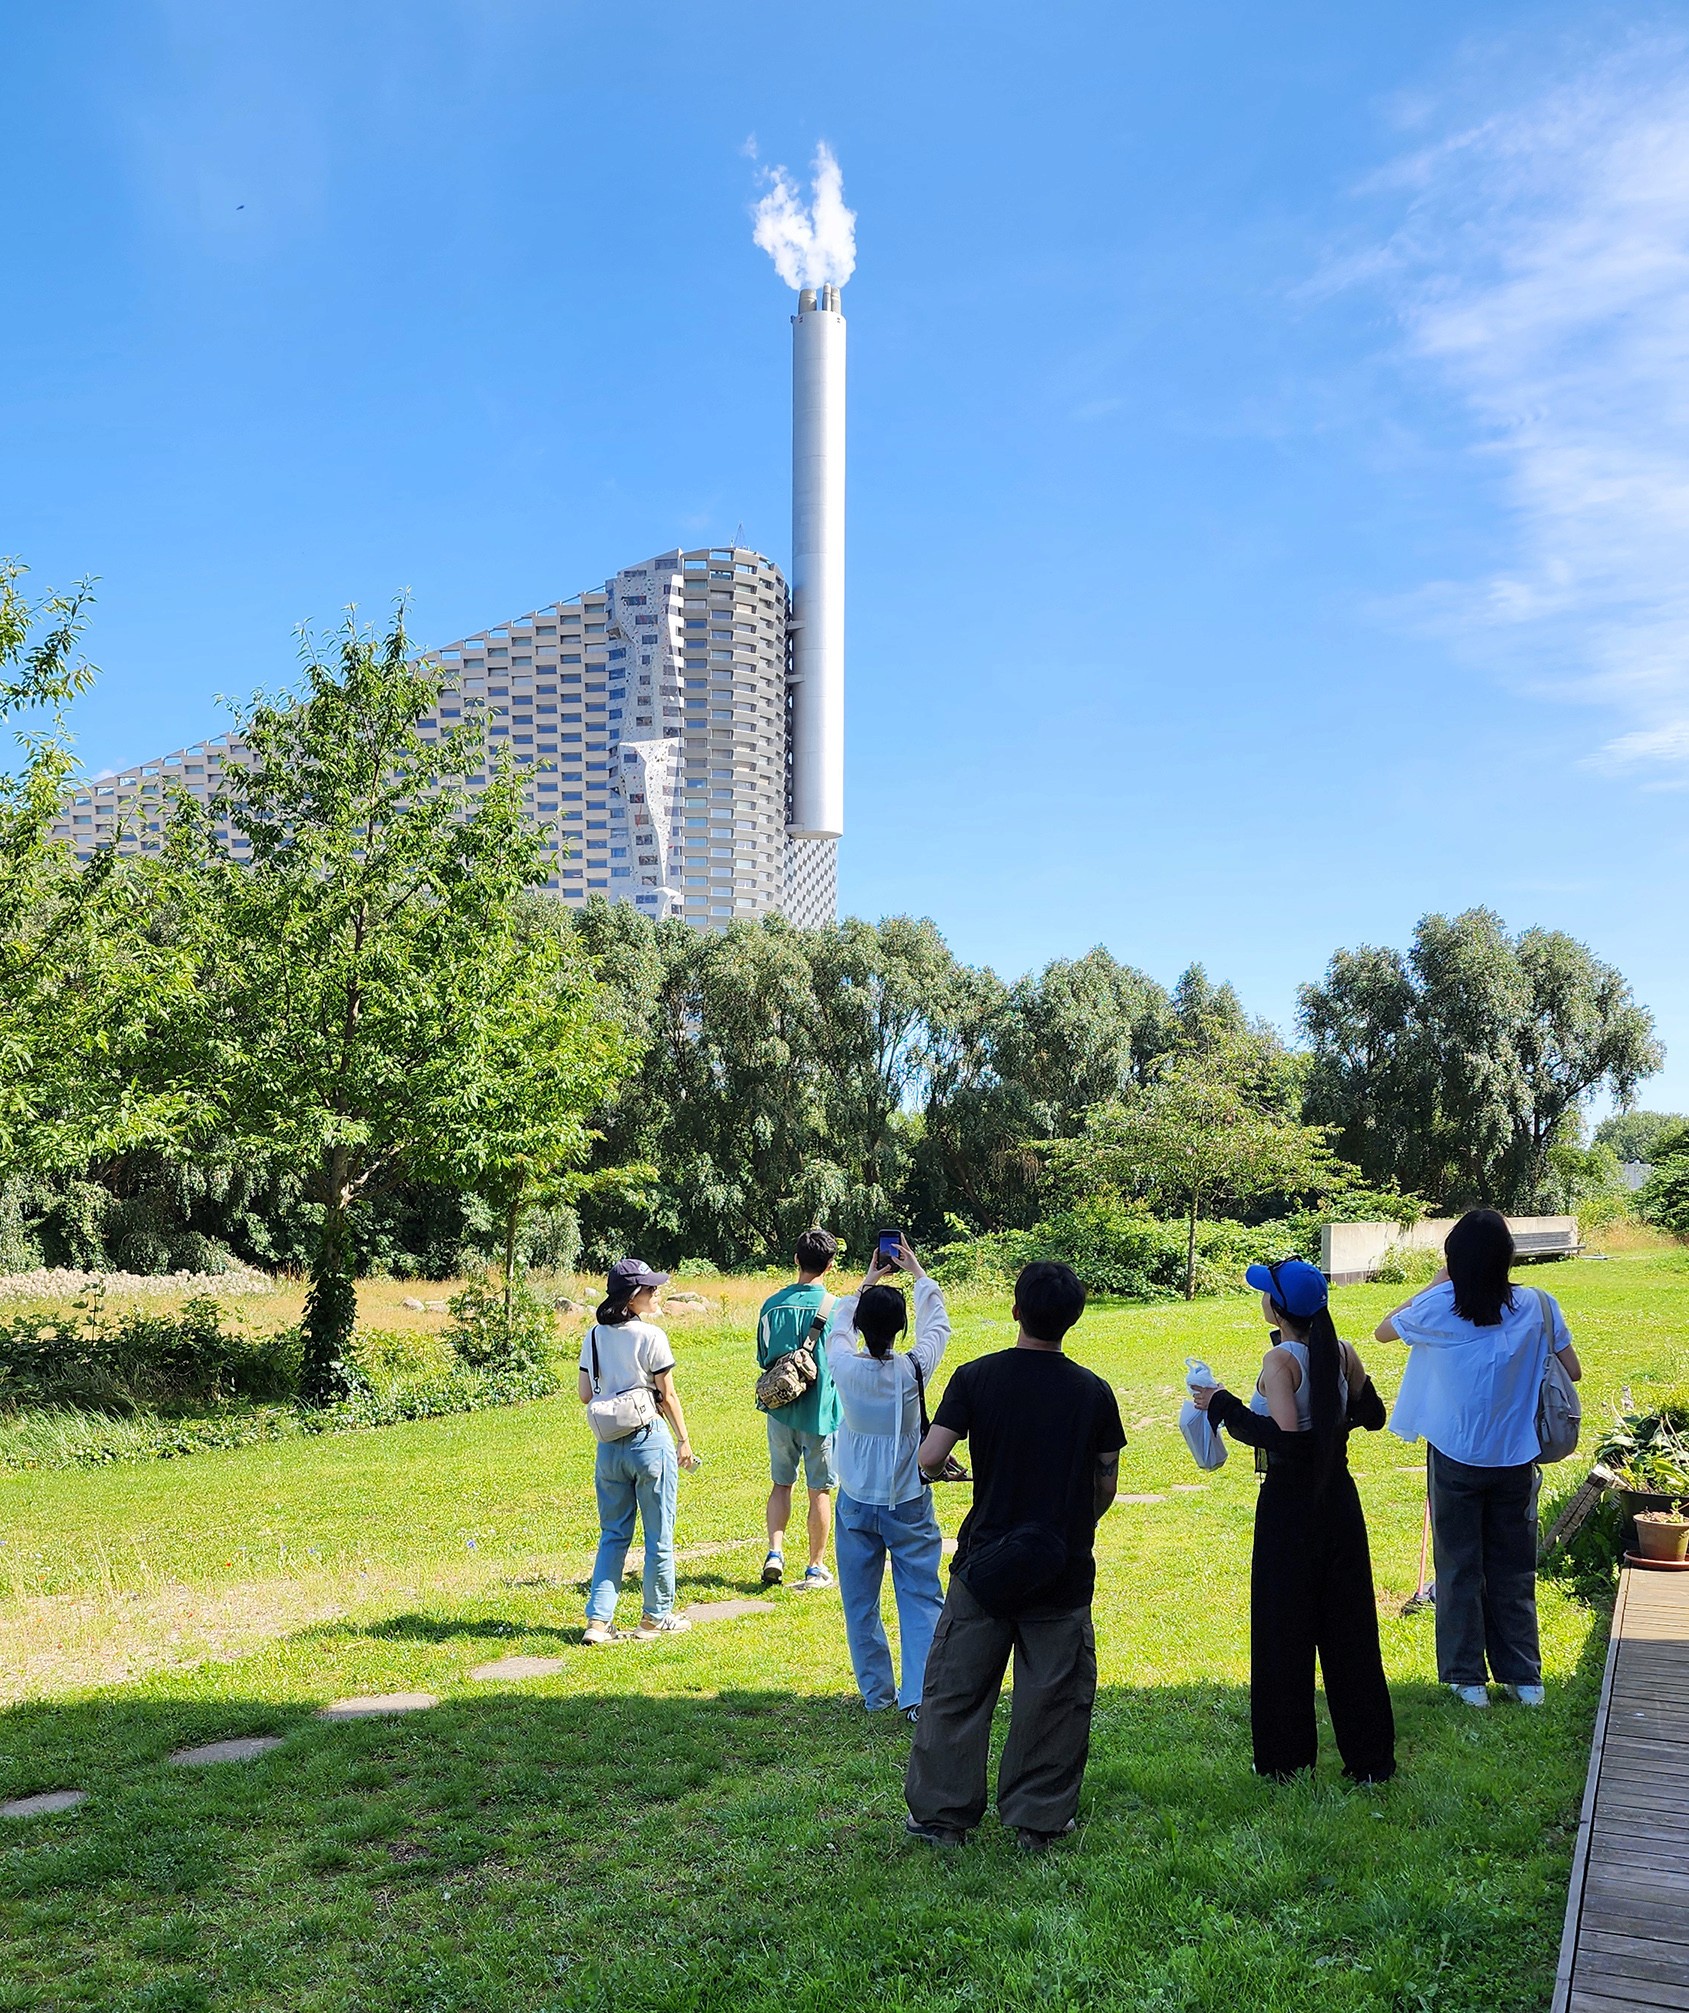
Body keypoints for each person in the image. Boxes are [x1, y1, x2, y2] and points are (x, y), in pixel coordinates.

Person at [903, 1261, 1125, 1852]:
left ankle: (941, 1817)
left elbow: (930, 1457)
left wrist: (942, 1468)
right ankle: (1040, 1820)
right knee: (1054, 1698)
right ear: (1073, 1320)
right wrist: (1077, 1524)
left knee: (956, 1691)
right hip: (1062, 1567)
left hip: (985, 1565)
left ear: (1015, 1311)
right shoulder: (1093, 1392)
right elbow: (1105, 1482)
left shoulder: (976, 1377)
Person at [1190, 1258, 1396, 1783]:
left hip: (1289, 1506)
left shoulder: (1280, 1360)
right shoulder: (1343, 1352)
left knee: (1283, 1630)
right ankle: (1371, 1760)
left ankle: (1285, 1762)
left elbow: (1285, 1441)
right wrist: (1337, 1424)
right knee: (1351, 1630)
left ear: (1278, 1309)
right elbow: (1374, 1415)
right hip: (1340, 1502)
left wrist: (1222, 1404)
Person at [1375, 1209, 1581, 1708]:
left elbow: (1383, 1331)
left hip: (1455, 1452)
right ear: (1508, 1259)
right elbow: (1572, 1370)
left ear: (1455, 1261)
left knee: (1458, 1566)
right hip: (1517, 1454)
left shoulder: (1438, 1306)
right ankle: (1524, 1678)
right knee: (1514, 1568)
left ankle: (1467, 1678)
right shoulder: (1540, 1304)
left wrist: (1437, 1281)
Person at [824, 1236, 951, 1722]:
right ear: (901, 1329)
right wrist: (918, 1274)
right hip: (908, 1497)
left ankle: (877, 1694)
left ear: (862, 1327)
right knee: (920, 1597)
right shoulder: (913, 1369)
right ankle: (919, 1697)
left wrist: (867, 1280)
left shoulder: (843, 1366)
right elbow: (938, 1326)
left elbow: (838, 1324)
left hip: (856, 1498)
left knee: (860, 1603)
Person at [578, 1257, 700, 1646]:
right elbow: (668, 1395)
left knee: (613, 1535)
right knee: (659, 1535)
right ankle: (655, 1617)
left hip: (609, 1447)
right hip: (649, 1442)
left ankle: (598, 1622)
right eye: (650, 1288)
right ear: (632, 1297)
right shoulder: (651, 1336)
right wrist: (684, 1439)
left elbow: (585, 1393)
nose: (656, 1292)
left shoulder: (593, 1336)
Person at [756, 1227, 841, 1590]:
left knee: (781, 1484)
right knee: (819, 1490)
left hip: (780, 1411)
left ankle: (775, 1553)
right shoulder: (837, 1309)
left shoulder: (772, 1305)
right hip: (821, 1412)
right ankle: (815, 1566)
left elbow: (763, 1357)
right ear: (831, 1264)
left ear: (796, 1260)